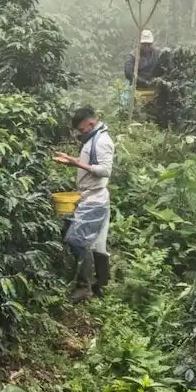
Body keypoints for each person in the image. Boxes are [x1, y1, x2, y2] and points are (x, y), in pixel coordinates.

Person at [53, 107, 115, 302]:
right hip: (89, 196)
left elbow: (105, 170)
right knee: (97, 244)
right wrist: (74, 160)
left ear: (91, 123)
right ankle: (100, 285)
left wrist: (75, 163)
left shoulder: (102, 141)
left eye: (81, 129)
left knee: (76, 240)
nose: (80, 133)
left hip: (95, 198)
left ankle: (84, 287)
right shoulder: (92, 139)